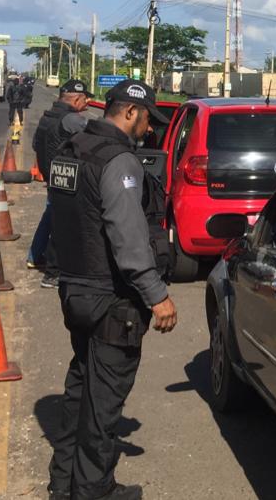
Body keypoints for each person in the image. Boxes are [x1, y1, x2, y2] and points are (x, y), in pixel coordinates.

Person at [46, 79, 177, 500]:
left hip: (75, 289)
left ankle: (63, 486)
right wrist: (157, 295)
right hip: (111, 299)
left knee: (79, 394)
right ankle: (94, 492)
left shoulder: (71, 150)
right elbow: (128, 237)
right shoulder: (118, 161)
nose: (149, 129)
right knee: (103, 406)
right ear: (129, 112)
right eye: (146, 120)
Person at [30, 79, 92, 288]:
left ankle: (35, 255)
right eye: (85, 98)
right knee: (63, 226)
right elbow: (94, 138)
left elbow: (35, 144)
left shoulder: (47, 116)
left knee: (51, 216)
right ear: (75, 99)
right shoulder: (72, 119)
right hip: (66, 179)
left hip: (52, 176)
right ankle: (52, 274)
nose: (89, 102)